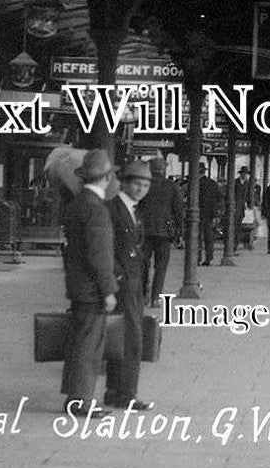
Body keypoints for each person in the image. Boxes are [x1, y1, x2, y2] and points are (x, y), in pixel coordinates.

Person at [60, 149, 119, 416]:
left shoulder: (75, 205)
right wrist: (108, 290)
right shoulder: (97, 210)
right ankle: (81, 401)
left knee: (78, 344)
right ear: (106, 178)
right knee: (89, 347)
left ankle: (74, 397)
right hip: (92, 289)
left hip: (77, 285)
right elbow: (100, 257)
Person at [104, 160, 153, 411]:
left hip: (133, 283)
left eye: (145, 185)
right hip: (123, 282)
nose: (141, 189)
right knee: (131, 338)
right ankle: (127, 393)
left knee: (119, 336)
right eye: (136, 184)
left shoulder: (133, 209)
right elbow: (106, 246)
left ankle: (114, 389)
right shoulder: (113, 208)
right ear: (124, 183)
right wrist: (118, 274)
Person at [139, 157, 184, 306]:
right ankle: (156, 298)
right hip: (165, 232)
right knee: (161, 267)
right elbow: (178, 211)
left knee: (143, 264)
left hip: (145, 231)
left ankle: (143, 295)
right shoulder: (171, 187)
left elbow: (137, 207)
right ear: (163, 170)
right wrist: (178, 232)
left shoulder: (144, 185)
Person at [197, 164, 222, 266]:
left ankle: (197, 258)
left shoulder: (195, 182)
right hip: (209, 215)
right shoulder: (212, 183)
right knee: (209, 237)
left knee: (197, 237)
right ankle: (209, 258)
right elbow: (219, 197)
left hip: (197, 214)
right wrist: (216, 213)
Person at [233, 166, 255, 250]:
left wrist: (249, 205)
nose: (245, 176)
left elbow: (249, 196)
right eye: (244, 174)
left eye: (246, 174)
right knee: (235, 227)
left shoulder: (248, 184)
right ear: (241, 174)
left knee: (239, 227)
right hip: (235, 207)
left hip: (243, 208)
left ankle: (237, 244)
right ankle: (234, 245)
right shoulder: (235, 182)